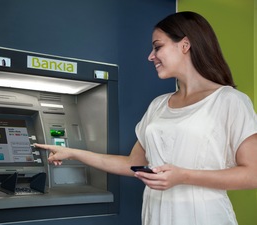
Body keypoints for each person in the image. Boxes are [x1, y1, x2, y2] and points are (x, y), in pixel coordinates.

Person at [35, 11, 257, 225]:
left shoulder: (230, 101)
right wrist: (73, 153)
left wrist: (183, 176)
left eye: (158, 47)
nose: (151, 56)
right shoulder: (158, 105)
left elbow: (252, 174)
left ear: (185, 44)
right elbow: (133, 163)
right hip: (156, 216)